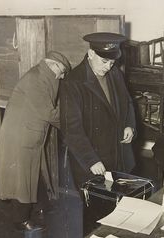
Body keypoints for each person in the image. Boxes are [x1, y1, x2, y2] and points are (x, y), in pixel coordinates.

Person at [0, 51, 71, 232]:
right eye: (61, 71)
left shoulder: (42, 76)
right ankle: (20, 220)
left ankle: (41, 207)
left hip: (29, 133)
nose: (61, 77)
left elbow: (51, 106)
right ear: (53, 64)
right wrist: (73, 124)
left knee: (35, 173)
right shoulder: (36, 80)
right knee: (22, 179)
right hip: (20, 136)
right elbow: (49, 113)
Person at [59, 32, 136, 187]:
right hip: (93, 158)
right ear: (91, 53)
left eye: (112, 62)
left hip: (117, 153)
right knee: (96, 206)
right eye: (104, 61)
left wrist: (129, 125)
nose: (108, 67)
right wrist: (90, 159)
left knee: (120, 202)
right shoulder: (73, 82)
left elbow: (127, 102)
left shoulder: (115, 73)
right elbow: (71, 129)